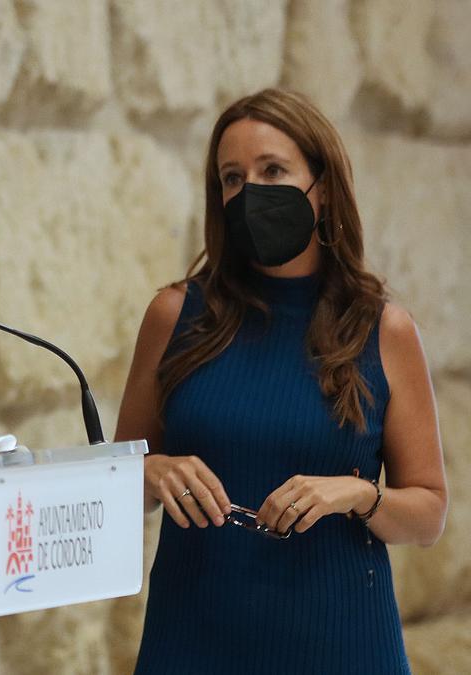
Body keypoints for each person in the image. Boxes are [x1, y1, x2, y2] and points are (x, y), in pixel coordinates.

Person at [115, 88, 448, 673]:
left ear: (322, 188)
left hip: (341, 642)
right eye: (232, 178)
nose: (250, 192)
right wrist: (149, 470)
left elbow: (428, 512)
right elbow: (108, 482)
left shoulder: (383, 329)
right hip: (192, 639)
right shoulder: (174, 314)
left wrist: (355, 494)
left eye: (273, 170)